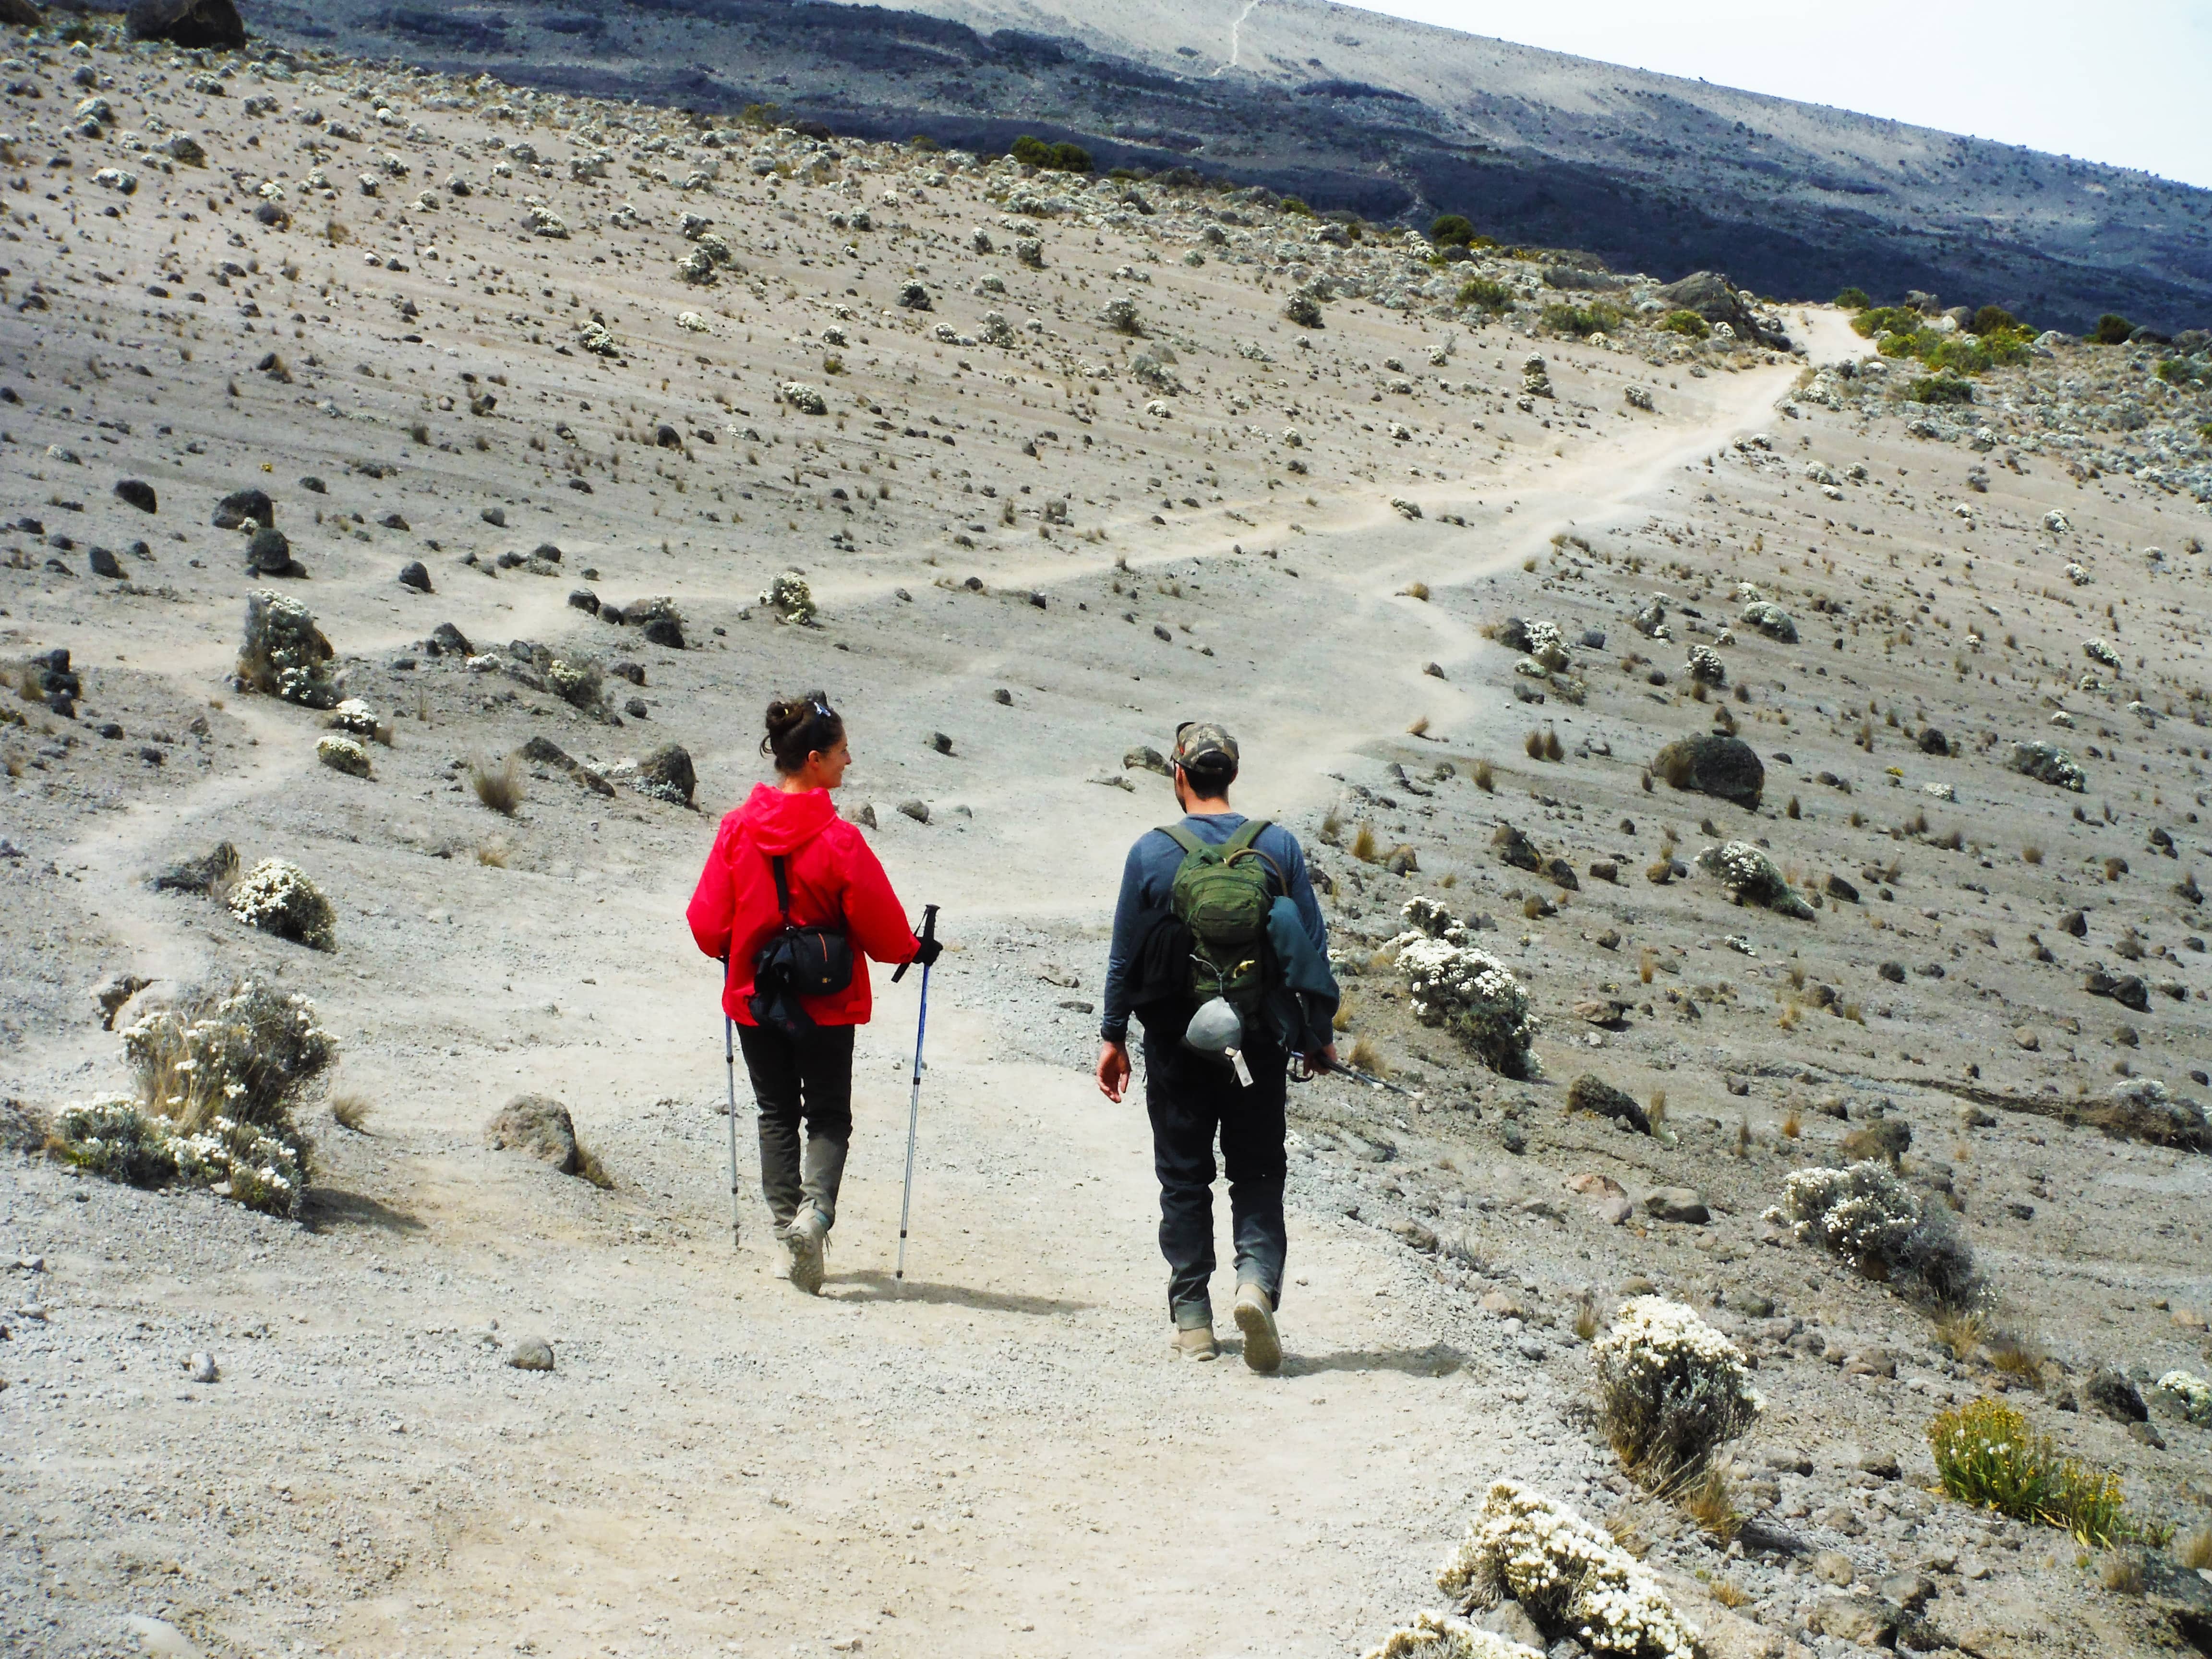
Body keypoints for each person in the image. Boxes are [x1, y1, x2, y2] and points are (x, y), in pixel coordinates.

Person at [1096, 720, 1336, 1371]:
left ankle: (1194, 1319)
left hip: (1177, 1045)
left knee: (1184, 1176)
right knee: (1257, 1171)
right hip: (1258, 1046)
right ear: (1230, 774)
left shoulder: (1151, 852)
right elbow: (1311, 948)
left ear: (1179, 775)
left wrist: (1114, 1036)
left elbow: (1125, 956)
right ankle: (1256, 1282)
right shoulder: (1277, 846)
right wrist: (1318, 1039)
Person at [687, 694, 939, 1294]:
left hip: (753, 995)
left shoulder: (735, 829)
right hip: (825, 1001)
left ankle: (785, 1240)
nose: (850, 761)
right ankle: (815, 1215)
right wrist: (913, 949)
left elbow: (705, 924)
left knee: (776, 1113)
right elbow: (881, 926)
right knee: (827, 1115)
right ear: (815, 759)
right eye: (843, 752)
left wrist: (736, 949)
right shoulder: (839, 840)